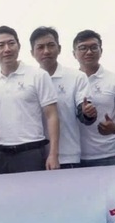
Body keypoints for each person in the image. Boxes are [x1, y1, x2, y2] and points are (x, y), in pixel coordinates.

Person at [0, 26, 60, 173]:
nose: (7, 49)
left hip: (31, 152)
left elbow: (52, 115)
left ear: (19, 46)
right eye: (0, 45)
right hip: (1, 155)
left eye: (11, 43)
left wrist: (53, 154)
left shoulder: (38, 75)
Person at [30, 27, 97, 168]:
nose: (46, 51)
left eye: (50, 45)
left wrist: (87, 112)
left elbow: (83, 110)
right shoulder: (28, 80)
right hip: (34, 156)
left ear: (59, 48)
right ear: (32, 53)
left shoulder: (76, 77)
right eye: (40, 47)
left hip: (67, 156)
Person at [72, 30, 115, 166]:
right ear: (74, 53)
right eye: (83, 48)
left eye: (94, 47)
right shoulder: (69, 81)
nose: (89, 52)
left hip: (108, 155)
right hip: (75, 156)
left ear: (101, 50)